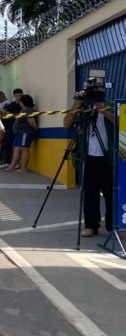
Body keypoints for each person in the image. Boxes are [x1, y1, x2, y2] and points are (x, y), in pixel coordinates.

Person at [63, 92, 115, 237]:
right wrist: (76, 104)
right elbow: (67, 124)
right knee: (90, 195)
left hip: (108, 158)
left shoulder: (111, 105)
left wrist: (102, 109)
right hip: (88, 158)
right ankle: (91, 225)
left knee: (111, 194)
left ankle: (112, 225)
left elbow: (120, 122)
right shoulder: (82, 108)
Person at [6, 94, 37, 172]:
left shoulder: (28, 110)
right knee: (16, 149)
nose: (19, 102)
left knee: (24, 149)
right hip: (19, 133)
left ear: (23, 102)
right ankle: (12, 167)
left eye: (20, 101)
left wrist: (36, 130)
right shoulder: (23, 110)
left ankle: (23, 168)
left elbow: (32, 122)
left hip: (25, 133)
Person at [0, 88, 23, 169]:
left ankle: (17, 163)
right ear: (14, 96)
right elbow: (5, 114)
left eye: (20, 95)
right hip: (10, 127)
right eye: (17, 96)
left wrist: (8, 113)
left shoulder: (23, 105)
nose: (18, 97)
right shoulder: (11, 104)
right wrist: (3, 113)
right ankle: (7, 162)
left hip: (19, 128)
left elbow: (17, 116)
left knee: (17, 146)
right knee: (7, 144)